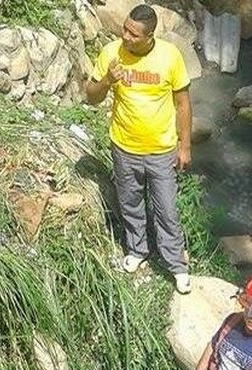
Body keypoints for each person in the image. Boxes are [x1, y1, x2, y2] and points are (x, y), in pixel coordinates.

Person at [85, 4, 193, 295]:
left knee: (166, 210)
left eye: (134, 34)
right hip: (124, 147)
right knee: (130, 204)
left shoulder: (170, 56)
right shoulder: (111, 53)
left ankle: (176, 265)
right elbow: (91, 96)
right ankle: (137, 250)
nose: (126, 37)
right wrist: (107, 80)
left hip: (162, 150)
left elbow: (183, 103)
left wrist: (185, 146)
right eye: (125, 29)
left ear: (149, 36)